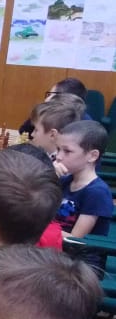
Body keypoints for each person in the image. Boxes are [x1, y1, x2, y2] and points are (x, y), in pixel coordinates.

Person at [55, 119, 113, 278]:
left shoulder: (97, 193)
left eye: (67, 151)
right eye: (58, 149)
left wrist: (38, 229)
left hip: (82, 264)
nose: (58, 157)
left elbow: (75, 240)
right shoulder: (64, 181)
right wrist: (48, 180)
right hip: (57, 252)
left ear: (92, 156)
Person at [28, 93, 85, 173]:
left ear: (52, 135)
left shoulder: (61, 167)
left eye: (36, 130)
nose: (32, 134)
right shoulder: (46, 155)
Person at [18, 75, 91, 136]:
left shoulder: (82, 125)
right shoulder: (86, 121)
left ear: (62, 97)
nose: (47, 98)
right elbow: (24, 131)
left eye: (50, 94)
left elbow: (25, 133)